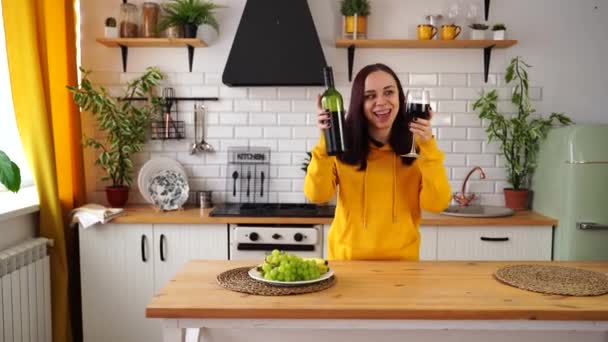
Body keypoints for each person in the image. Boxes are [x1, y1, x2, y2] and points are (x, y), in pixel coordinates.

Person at [304, 63, 451, 260]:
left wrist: (429, 148)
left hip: (403, 267)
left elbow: (437, 204)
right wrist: (325, 141)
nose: (381, 102)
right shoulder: (342, 147)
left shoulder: (417, 149)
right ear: (359, 103)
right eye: (370, 96)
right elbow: (317, 195)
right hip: (347, 264)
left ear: (400, 97)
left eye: (389, 92)